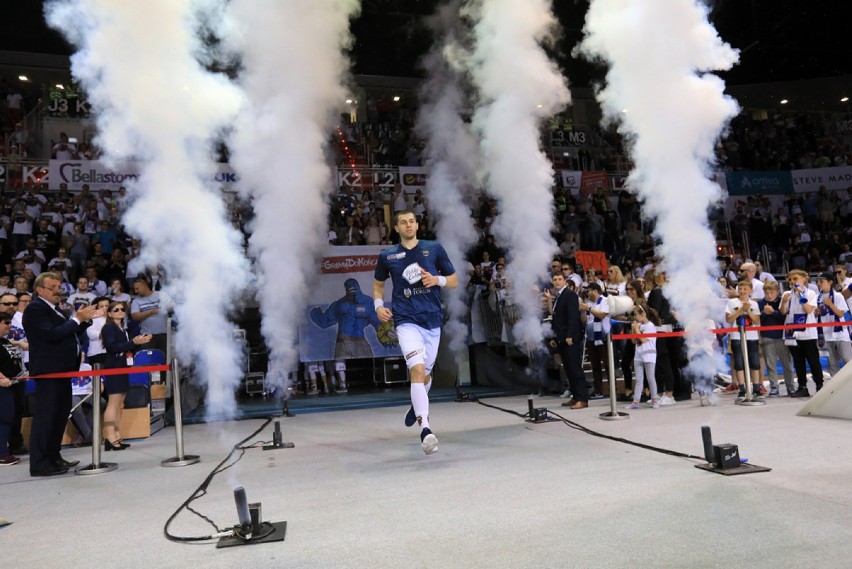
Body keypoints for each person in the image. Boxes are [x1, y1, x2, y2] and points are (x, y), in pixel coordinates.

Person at [373, 209, 458, 455]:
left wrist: (437, 280)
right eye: (403, 222)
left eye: (411, 221)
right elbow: (378, 285)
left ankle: (416, 406)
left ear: (417, 225)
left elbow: (453, 279)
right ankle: (426, 429)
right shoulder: (388, 256)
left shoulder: (434, 248)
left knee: (426, 376)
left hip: (432, 321)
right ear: (396, 228)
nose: (408, 225)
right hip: (406, 320)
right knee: (417, 370)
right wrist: (378, 306)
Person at [23, 271, 101, 476]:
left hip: (62, 371)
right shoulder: (35, 309)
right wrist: (76, 319)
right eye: (52, 288)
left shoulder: (56, 309)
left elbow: (70, 333)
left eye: (59, 287)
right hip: (49, 371)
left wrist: (84, 320)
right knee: (47, 417)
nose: (58, 291)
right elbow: (52, 334)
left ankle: (54, 457)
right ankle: (40, 464)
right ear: (39, 289)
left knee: (59, 416)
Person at [101, 301, 151, 450]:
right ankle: (110, 436)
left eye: (122, 309)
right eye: (115, 309)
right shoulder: (109, 327)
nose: (120, 311)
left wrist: (137, 342)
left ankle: (116, 435)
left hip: (121, 366)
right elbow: (111, 347)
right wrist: (132, 342)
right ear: (109, 313)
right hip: (114, 366)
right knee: (113, 402)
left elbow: (126, 347)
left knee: (119, 402)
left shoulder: (122, 328)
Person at [781, 269, 823, 397]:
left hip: (807, 333)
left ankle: (819, 385)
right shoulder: (787, 294)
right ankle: (802, 386)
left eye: (795, 279)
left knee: (813, 360)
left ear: (804, 279)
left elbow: (809, 310)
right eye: (790, 279)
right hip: (792, 333)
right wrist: (783, 302)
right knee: (798, 362)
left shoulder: (810, 293)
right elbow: (783, 312)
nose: (792, 282)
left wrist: (800, 295)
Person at [549, 273, 586, 409]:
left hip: (570, 338)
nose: (557, 282)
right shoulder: (558, 296)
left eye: (559, 279)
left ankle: (582, 398)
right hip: (561, 337)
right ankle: (575, 396)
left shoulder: (569, 295)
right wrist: (554, 337)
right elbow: (556, 319)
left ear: (565, 281)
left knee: (575, 368)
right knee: (569, 369)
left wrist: (570, 335)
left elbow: (573, 317)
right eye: (555, 280)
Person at [725, 280, 763, 398]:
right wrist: (740, 310)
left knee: (755, 362)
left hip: (752, 336)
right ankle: (742, 388)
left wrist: (748, 311)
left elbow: (757, 321)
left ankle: (756, 387)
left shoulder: (754, 304)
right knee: (739, 363)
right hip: (737, 336)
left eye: (745, 289)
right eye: (740, 289)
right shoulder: (732, 302)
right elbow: (729, 319)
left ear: (750, 291)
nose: (742, 291)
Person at [758, 281, 794, 397]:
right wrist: (764, 313)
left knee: (787, 363)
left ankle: (790, 386)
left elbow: (784, 318)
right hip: (766, 336)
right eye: (766, 292)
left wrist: (773, 312)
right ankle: (774, 387)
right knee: (770, 363)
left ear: (777, 292)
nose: (769, 295)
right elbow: (757, 321)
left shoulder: (781, 302)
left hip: (782, 337)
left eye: (771, 292)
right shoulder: (760, 303)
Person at [0, 313, 26, 465]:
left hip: (14, 384)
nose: (10, 325)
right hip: (3, 385)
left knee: (10, 417)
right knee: (4, 418)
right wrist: (1, 378)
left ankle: (5, 450)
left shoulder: (5, 341)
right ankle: (2, 453)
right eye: (6, 322)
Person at [815, 272, 852, 377]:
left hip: (840, 333)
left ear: (830, 282)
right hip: (827, 334)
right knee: (832, 363)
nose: (818, 283)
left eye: (821, 281)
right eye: (817, 281)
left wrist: (830, 304)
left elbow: (841, 313)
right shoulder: (818, 297)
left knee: (847, 359)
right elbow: (815, 315)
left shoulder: (838, 296)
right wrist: (816, 312)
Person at [626, 301, 660, 409]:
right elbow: (633, 341)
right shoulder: (639, 325)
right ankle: (636, 401)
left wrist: (636, 329)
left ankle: (654, 399)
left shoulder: (650, 326)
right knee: (639, 379)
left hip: (649, 355)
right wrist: (633, 329)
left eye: (636, 314)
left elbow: (644, 340)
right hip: (639, 355)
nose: (634, 317)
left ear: (643, 314)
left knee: (650, 377)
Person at [130, 274, 170, 354]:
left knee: (165, 360)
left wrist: (167, 308)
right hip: (147, 336)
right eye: (134, 289)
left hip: (164, 334)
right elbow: (134, 316)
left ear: (144, 284)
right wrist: (150, 312)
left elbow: (173, 307)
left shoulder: (161, 295)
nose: (136, 291)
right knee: (149, 361)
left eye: (137, 288)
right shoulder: (136, 301)